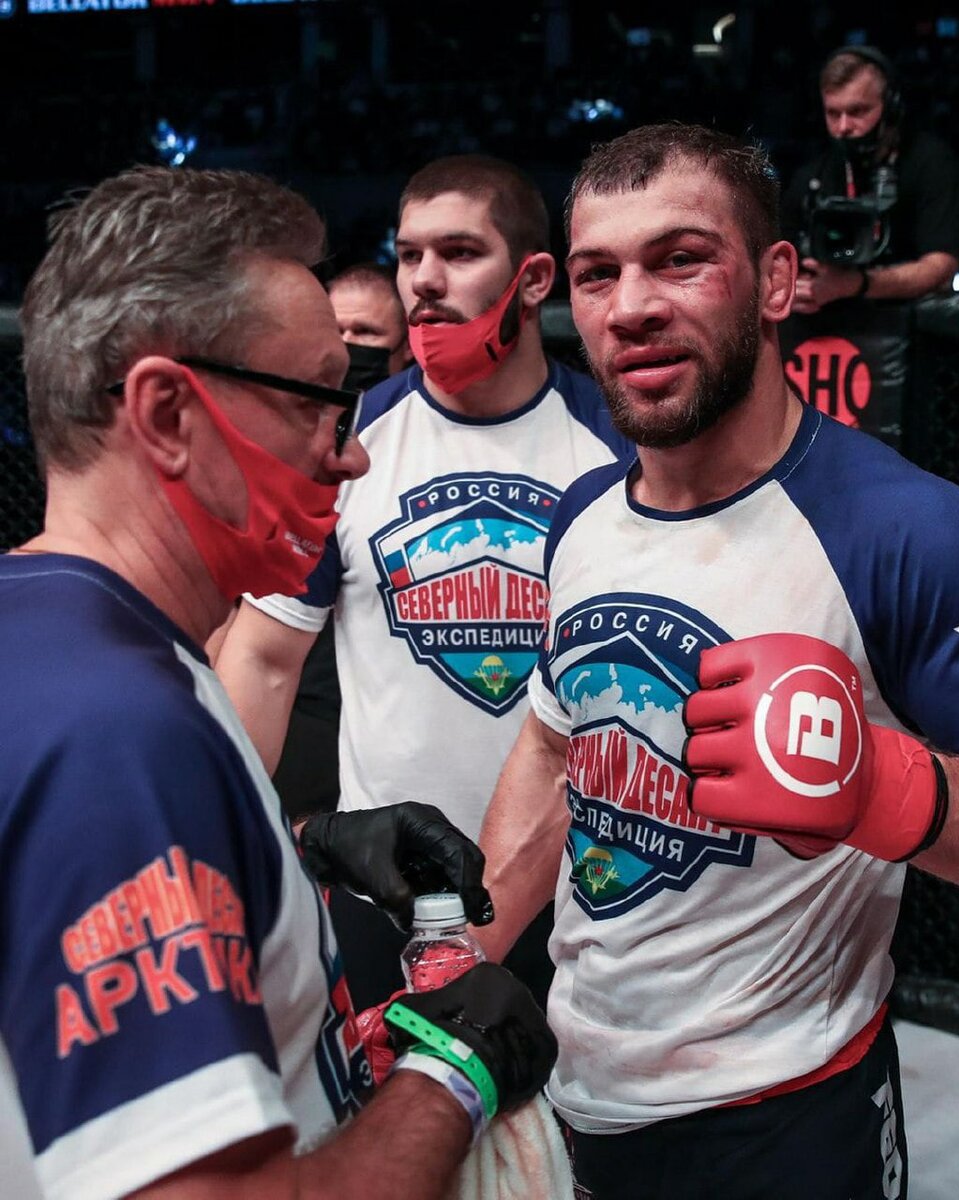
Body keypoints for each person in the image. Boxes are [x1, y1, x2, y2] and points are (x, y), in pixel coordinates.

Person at [0, 165, 556, 1200]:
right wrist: (454, 1076)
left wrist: (301, 849)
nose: (347, 457)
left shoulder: (58, 633)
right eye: (314, 401)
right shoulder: (117, 730)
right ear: (169, 414)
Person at [475, 123, 959, 1200]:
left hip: (790, 1115)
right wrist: (466, 953)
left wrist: (889, 789)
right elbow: (554, 752)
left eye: (680, 259)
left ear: (777, 281)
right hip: (580, 1085)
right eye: (598, 274)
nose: (631, 306)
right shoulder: (581, 517)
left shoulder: (907, 532)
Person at [214, 154, 632, 1010]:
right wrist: (225, 855)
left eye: (458, 252)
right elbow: (262, 660)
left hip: (581, 892)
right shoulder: (349, 443)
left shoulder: (620, 450)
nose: (424, 281)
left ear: (533, 279)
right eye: (408, 255)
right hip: (389, 893)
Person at [272, 264, 412, 821]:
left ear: (404, 348)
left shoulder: (413, 445)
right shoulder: (281, 440)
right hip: (300, 699)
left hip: (388, 715)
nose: (350, 347)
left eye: (367, 335)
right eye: (338, 333)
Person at [782, 45, 959, 313]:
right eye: (833, 114)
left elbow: (941, 266)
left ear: (890, 108)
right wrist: (790, 289)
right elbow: (778, 258)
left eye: (857, 111)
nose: (843, 127)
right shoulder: (812, 175)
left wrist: (856, 283)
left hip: (910, 323)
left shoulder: (932, 163)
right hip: (826, 320)